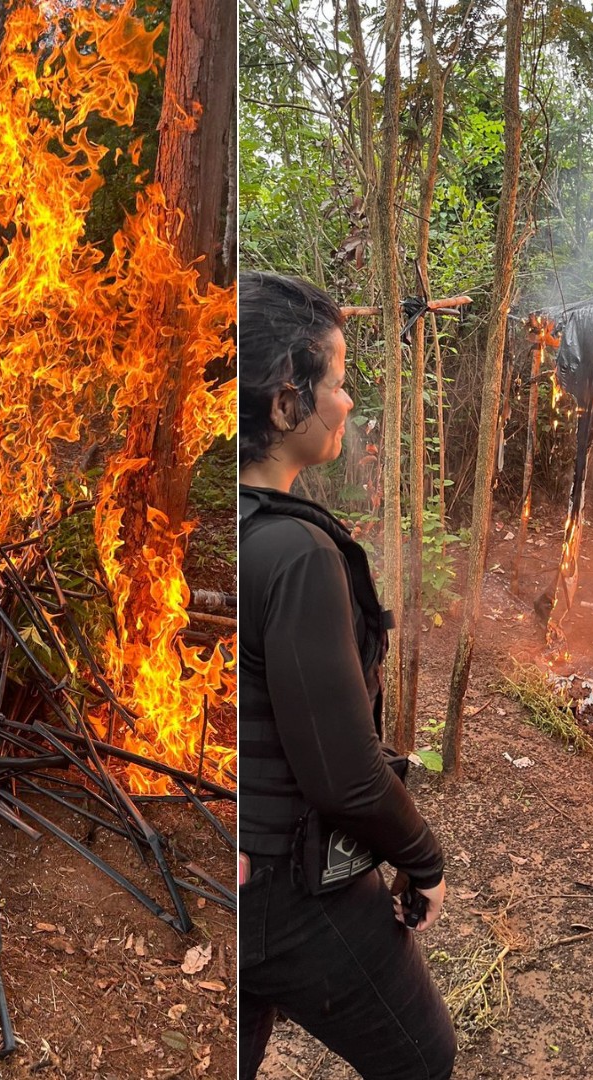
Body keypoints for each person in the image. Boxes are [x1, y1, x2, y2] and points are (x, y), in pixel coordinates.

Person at [238, 272, 455, 1079]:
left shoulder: (228, 526)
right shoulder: (295, 555)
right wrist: (422, 859)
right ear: (284, 402)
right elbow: (344, 776)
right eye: (337, 380)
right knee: (423, 1057)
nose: (349, 401)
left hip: (240, 879)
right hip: (290, 896)